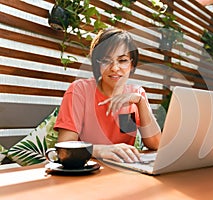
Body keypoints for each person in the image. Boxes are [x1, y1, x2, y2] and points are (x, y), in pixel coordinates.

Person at [54, 27, 161, 163]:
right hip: (88, 169)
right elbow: (65, 146)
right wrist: (100, 150)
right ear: (97, 64)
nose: (115, 68)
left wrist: (141, 102)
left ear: (132, 64)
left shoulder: (137, 94)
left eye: (122, 60)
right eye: (106, 60)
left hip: (124, 170)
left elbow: (156, 144)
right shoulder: (79, 90)